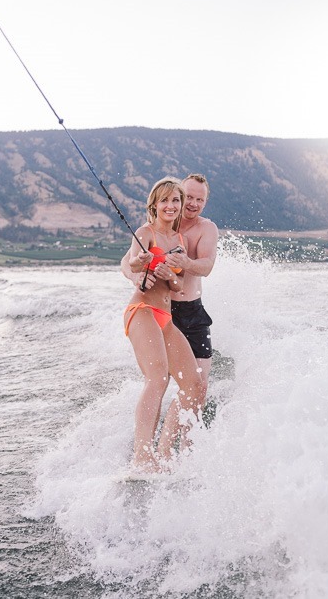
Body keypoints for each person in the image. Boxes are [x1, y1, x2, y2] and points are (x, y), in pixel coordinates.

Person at [123, 177, 206, 474]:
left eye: (176, 201)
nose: (171, 206)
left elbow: (178, 285)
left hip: (165, 317)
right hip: (142, 310)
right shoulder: (146, 233)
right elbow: (132, 262)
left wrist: (168, 272)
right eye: (165, 201)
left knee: (194, 385)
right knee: (158, 378)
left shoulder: (180, 241)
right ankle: (142, 456)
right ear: (154, 205)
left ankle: (173, 453)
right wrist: (142, 265)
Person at [122, 173, 218, 398]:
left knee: (199, 388)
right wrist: (135, 278)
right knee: (160, 380)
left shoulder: (206, 228)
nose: (193, 204)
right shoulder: (153, 228)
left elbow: (207, 266)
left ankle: (181, 434)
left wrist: (187, 262)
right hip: (163, 311)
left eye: (200, 200)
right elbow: (126, 262)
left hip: (193, 311)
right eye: (189, 197)